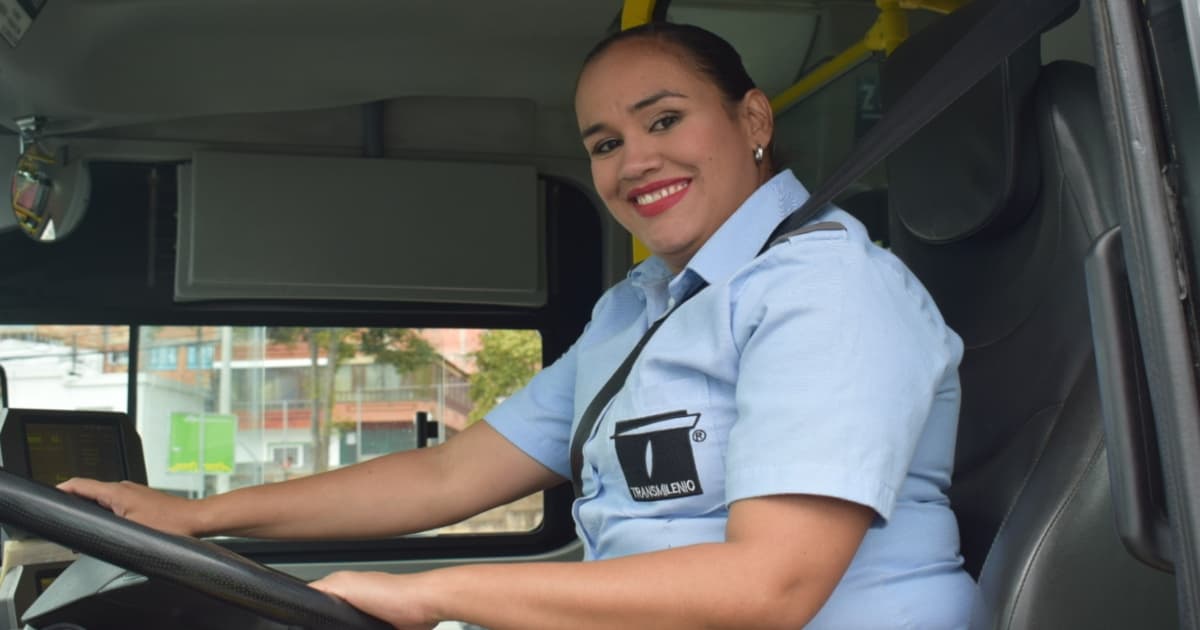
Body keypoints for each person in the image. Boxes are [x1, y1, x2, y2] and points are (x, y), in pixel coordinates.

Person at [61, 23, 975, 629]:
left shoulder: (827, 289)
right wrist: (194, 519)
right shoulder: (638, 309)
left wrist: (437, 596)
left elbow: (774, 585)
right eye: (605, 144)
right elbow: (451, 473)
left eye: (665, 118)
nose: (635, 161)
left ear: (753, 117)